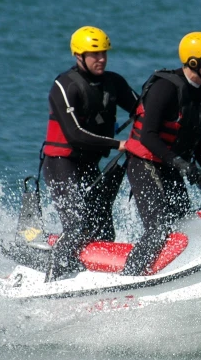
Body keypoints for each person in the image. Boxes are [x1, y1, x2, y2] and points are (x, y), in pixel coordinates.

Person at [121, 31, 201, 276]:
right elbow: (148, 136)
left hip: (171, 166)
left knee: (184, 225)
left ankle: (175, 275)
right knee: (159, 227)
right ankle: (128, 279)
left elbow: (200, 143)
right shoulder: (165, 88)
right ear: (193, 62)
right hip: (145, 164)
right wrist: (178, 162)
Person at [42, 26, 139, 281]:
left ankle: (94, 278)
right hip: (61, 163)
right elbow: (74, 134)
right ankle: (52, 278)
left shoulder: (114, 82)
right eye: (94, 54)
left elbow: (140, 111)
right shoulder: (64, 86)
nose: (102, 59)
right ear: (79, 56)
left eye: (104, 53)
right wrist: (118, 145)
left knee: (103, 227)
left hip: (89, 163)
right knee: (76, 226)